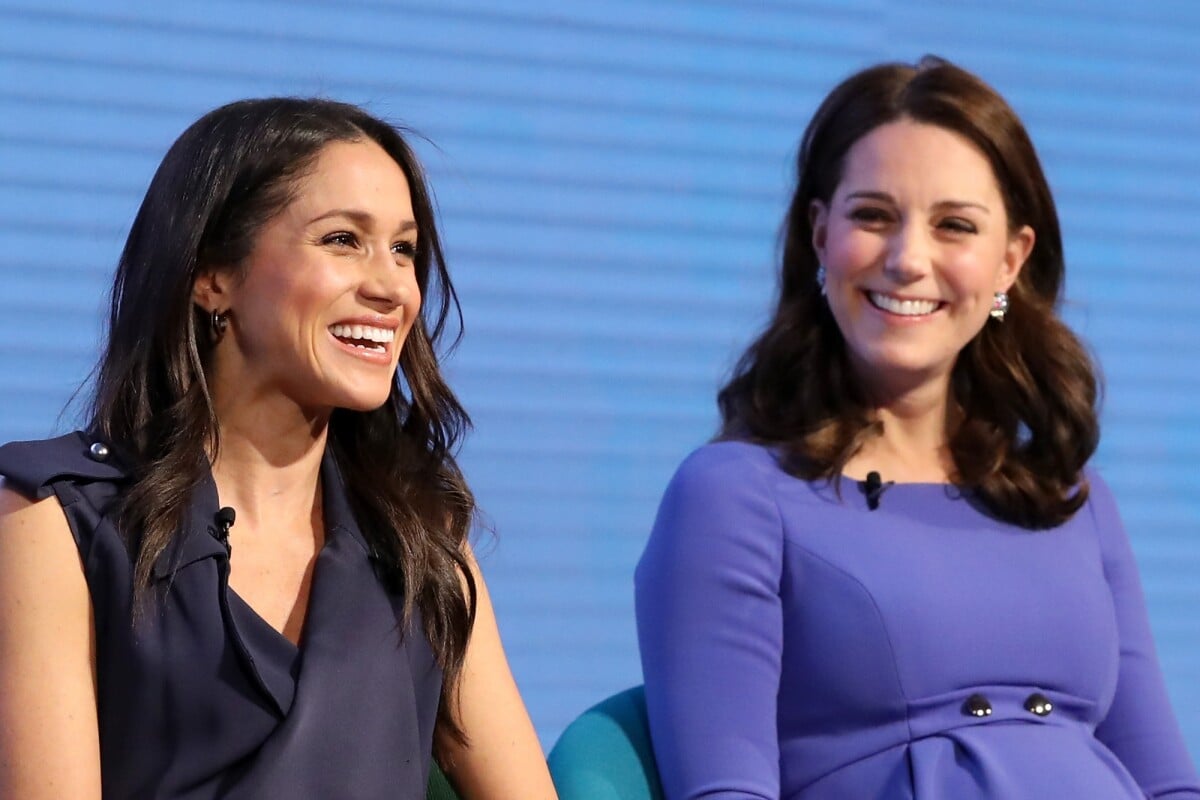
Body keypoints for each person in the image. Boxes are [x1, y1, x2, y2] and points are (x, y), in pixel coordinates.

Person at [635, 57, 1200, 798]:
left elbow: (1167, 785)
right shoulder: (733, 496)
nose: (907, 260)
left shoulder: (1071, 499)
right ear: (818, 234)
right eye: (872, 216)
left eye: (954, 226)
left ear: (1010, 261)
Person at [0, 98, 557, 799]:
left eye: (404, 249)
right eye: (342, 240)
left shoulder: (420, 535)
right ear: (212, 277)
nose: (391, 287)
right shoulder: (57, 519)